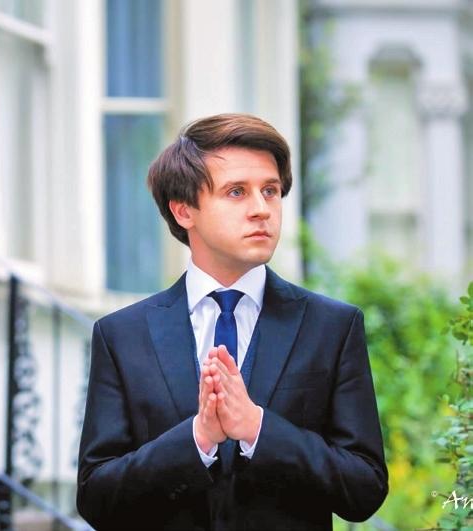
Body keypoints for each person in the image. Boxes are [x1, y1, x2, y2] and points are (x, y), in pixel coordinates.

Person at [76, 113, 388, 530]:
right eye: (237, 192)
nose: (262, 210)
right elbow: (96, 498)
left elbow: (365, 488)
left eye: (271, 191)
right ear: (183, 210)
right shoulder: (122, 336)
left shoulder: (332, 326)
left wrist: (258, 428)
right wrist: (198, 439)